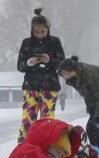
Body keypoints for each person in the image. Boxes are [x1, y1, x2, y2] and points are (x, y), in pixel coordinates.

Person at [16, 8, 65, 143]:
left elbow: (62, 65)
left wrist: (49, 61)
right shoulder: (26, 43)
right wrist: (29, 62)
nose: (40, 35)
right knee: (28, 120)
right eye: (36, 32)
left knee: (47, 121)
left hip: (50, 87)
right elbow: (19, 66)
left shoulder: (55, 42)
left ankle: (46, 149)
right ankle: (23, 149)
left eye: (43, 32)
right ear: (32, 31)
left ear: (48, 29)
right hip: (30, 87)